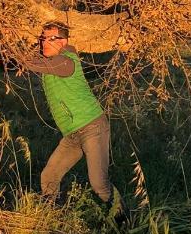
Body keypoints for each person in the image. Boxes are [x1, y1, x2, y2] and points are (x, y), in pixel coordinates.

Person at [18, 20, 125, 222]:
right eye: (42, 39)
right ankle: (51, 218)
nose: (45, 43)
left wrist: (9, 42)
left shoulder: (66, 60)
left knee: (99, 185)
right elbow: (33, 59)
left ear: (64, 41)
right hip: (73, 134)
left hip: (92, 126)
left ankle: (124, 222)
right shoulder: (52, 59)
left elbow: (31, 62)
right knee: (49, 176)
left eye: (52, 38)